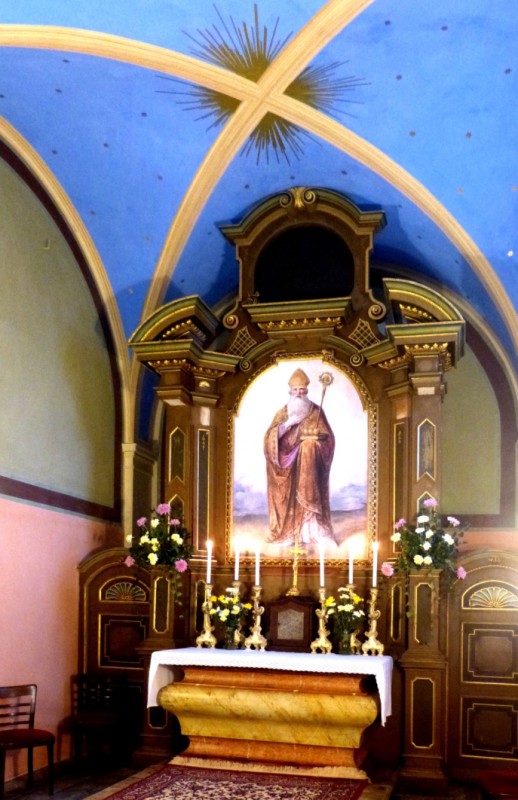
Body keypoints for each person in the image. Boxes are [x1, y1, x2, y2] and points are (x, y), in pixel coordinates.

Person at [264, 368, 335, 548]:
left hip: (310, 464)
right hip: (286, 464)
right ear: (290, 391)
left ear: (306, 391)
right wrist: (287, 424)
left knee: (308, 446)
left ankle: (313, 530)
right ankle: (289, 532)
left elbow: (329, 439)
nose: (299, 393)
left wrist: (314, 442)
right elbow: (268, 441)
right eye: (295, 390)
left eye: (302, 390)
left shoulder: (316, 411)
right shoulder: (283, 413)